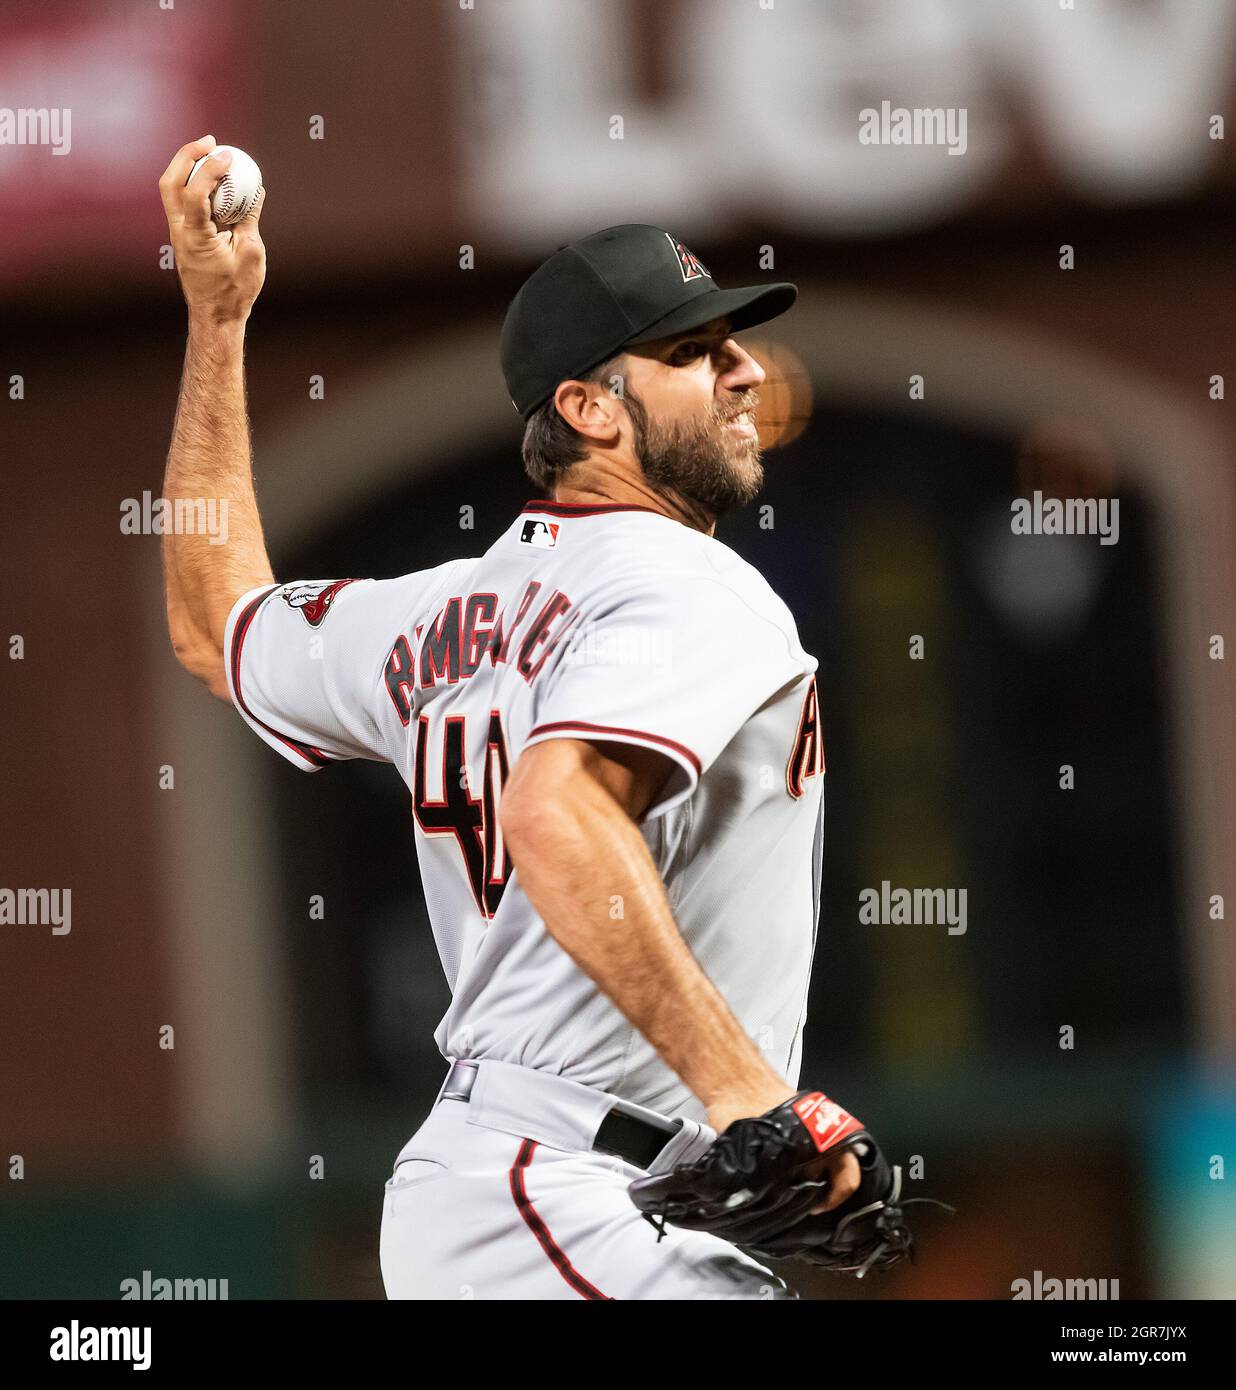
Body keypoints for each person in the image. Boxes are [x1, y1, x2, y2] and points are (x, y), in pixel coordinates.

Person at [159, 135, 856, 1300]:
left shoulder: (438, 610)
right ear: (587, 407)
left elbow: (210, 619)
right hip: (574, 1187)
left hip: (534, 1192)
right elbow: (559, 813)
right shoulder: (686, 584)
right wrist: (755, 1099)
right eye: (693, 351)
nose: (742, 372)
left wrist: (217, 324)